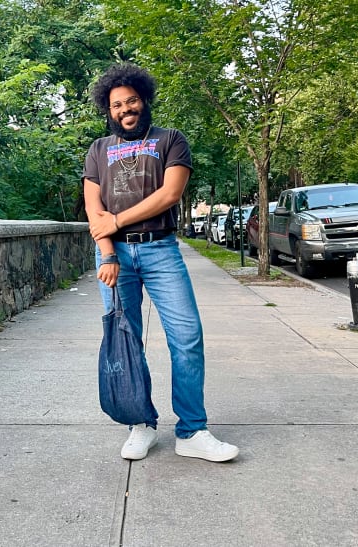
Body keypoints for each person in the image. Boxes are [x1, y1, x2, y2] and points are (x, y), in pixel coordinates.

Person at [81, 64, 238, 463]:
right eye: (117, 104)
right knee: (127, 340)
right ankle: (141, 424)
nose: (125, 109)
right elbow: (93, 209)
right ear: (108, 109)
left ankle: (192, 431)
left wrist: (116, 221)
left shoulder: (170, 140)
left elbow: (170, 194)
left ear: (144, 100)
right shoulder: (98, 150)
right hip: (115, 255)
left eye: (131, 100)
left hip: (161, 250)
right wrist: (109, 251)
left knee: (186, 337)